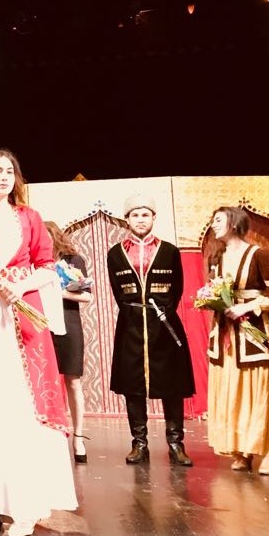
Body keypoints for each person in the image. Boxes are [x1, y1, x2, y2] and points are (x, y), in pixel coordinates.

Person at [0, 149, 76, 536]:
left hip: (22, 320)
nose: (4, 177)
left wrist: (18, 286)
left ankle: (26, 505)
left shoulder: (30, 218)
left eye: (10, 171)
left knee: (24, 409)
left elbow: (46, 267)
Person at [106, 194, 195, 467]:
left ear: (154, 218)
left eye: (145, 214)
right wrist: (135, 311)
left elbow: (177, 288)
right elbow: (117, 291)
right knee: (133, 387)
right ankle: (139, 443)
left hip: (164, 325)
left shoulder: (169, 251)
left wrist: (162, 312)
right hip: (131, 325)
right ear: (127, 219)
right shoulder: (115, 253)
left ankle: (176, 443)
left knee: (171, 385)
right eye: (135, 215)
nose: (140, 219)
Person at [203, 206, 269, 475]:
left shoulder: (259, 255)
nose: (214, 225)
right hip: (226, 334)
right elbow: (214, 289)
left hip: (254, 334)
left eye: (218, 220)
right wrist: (211, 301)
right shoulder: (216, 257)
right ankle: (241, 449)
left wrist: (246, 307)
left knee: (259, 390)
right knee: (232, 389)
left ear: (234, 223)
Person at [45, 221, 93, 463]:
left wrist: (54, 289)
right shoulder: (35, 263)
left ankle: (79, 437)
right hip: (41, 324)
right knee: (46, 382)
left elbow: (85, 296)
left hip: (68, 323)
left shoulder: (73, 261)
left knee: (73, 381)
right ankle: (51, 435)